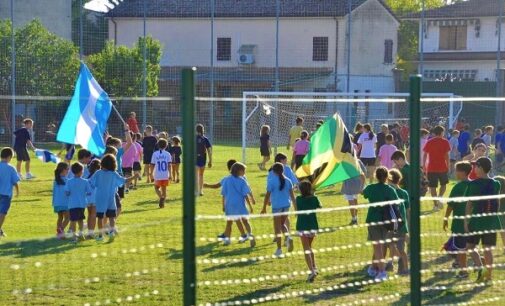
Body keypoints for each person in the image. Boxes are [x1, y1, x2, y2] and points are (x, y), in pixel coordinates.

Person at [464, 157, 501, 282]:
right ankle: (488, 276)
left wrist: (465, 221)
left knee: (469, 247)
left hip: (477, 222)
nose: (474, 169)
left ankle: (480, 268)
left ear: (480, 168)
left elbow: (469, 204)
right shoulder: (496, 184)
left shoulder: (473, 184)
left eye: (475, 166)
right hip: (491, 221)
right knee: (488, 250)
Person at [363, 166, 399, 281]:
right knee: (380, 246)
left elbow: (364, 193)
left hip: (373, 219)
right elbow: (396, 203)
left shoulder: (371, 188)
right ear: (387, 176)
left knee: (377, 247)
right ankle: (373, 268)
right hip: (386, 221)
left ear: (376, 176)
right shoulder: (390, 189)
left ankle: (382, 272)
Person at [89, 154, 135, 242]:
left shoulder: (98, 173)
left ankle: (100, 235)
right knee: (111, 217)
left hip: (100, 198)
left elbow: (91, 183)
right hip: (111, 198)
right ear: (114, 164)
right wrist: (134, 177)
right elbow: (124, 180)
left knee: (100, 217)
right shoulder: (113, 174)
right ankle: (111, 233)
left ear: (102, 163)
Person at [443, 161, 472, 279]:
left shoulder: (458, 187)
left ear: (462, 172)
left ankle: (463, 271)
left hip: (460, 223)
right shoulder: (473, 185)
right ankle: (460, 263)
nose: (455, 173)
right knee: (468, 247)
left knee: (460, 248)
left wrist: (445, 218)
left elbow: (451, 205)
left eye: (456, 170)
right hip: (472, 223)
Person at [262, 162, 296, 257]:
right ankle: (288, 238)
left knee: (277, 227)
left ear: (273, 171)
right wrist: (296, 208)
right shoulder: (288, 180)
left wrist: (264, 207)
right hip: (286, 206)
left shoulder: (271, 181)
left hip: (277, 206)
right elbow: (293, 196)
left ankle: (279, 249)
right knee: (282, 224)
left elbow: (267, 195)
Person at [221, 162, 255, 247]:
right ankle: (250, 235)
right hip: (240, 205)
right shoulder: (242, 181)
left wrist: (223, 205)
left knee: (229, 223)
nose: (244, 172)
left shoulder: (226, 180)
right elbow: (245, 194)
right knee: (245, 221)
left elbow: (224, 194)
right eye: (244, 170)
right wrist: (250, 205)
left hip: (229, 205)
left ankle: (227, 240)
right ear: (238, 171)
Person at [295, 180, 322, 282]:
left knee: (306, 249)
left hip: (302, 226)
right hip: (312, 226)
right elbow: (319, 206)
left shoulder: (298, 199)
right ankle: (314, 267)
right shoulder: (314, 199)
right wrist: (314, 194)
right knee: (309, 248)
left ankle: (311, 271)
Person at [423, 125, 451, 211]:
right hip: (442, 167)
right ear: (442, 132)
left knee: (432, 187)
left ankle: (435, 204)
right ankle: (440, 197)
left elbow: (425, 155)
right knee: (443, 185)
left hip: (431, 168)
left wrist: (424, 165)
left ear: (434, 133)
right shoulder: (445, 142)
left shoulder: (429, 141)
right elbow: (447, 155)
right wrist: (448, 166)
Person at [388, 169, 410, 275]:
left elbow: (406, 209)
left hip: (397, 225)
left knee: (399, 248)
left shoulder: (400, 193)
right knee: (392, 245)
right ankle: (391, 263)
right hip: (397, 225)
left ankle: (405, 268)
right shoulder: (404, 192)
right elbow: (408, 211)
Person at [65, 162, 92, 242]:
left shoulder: (69, 181)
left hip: (72, 204)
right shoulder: (85, 181)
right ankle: (81, 234)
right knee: (80, 220)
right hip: (82, 204)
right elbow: (89, 192)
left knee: (73, 221)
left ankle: (74, 237)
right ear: (81, 171)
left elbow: (67, 192)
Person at [0, 148, 20, 238]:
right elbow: (15, 181)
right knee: (3, 213)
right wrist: (17, 191)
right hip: (6, 194)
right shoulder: (11, 168)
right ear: (9, 157)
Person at [341, 158, 366, 225]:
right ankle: (355, 218)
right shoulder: (357, 160)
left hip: (349, 184)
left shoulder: (344, 161)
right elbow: (364, 171)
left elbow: (342, 173)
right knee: (355, 200)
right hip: (358, 184)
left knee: (351, 201)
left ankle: (354, 218)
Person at [150, 138, 172, 208]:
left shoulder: (155, 154)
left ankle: (161, 197)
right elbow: (169, 165)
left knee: (156, 188)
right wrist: (170, 174)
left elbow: (152, 164)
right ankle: (163, 203)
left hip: (158, 174)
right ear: (166, 146)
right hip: (165, 174)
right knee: (164, 189)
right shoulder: (168, 154)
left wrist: (151, 174)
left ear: (158, 145)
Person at [53, 162, 70, 239]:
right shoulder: (66, 180)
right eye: (67, 169)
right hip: (64, 202)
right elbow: (67, 192)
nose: (68, 171)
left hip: (57, 203)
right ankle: (61, 230)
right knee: (68, 217)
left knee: (60, 217)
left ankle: (59, 234)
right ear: (63, 170)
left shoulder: (56, 180)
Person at [196, 124, 212, 196]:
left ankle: (195, 190)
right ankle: (200, 191)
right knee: (201, 175)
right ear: (203, 130)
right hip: (203, 158)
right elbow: (209, 150)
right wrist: (210, 160)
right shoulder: (205, 139)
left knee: (195, 175)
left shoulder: (193, 138)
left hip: (195, 158)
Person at [86, 159, 101, 238]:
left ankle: (89, 231)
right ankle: (91, 233)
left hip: (88, 198)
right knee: (93, 215)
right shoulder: (98, 176)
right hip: (95, 198)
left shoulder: (88, 176)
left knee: (90, 214)